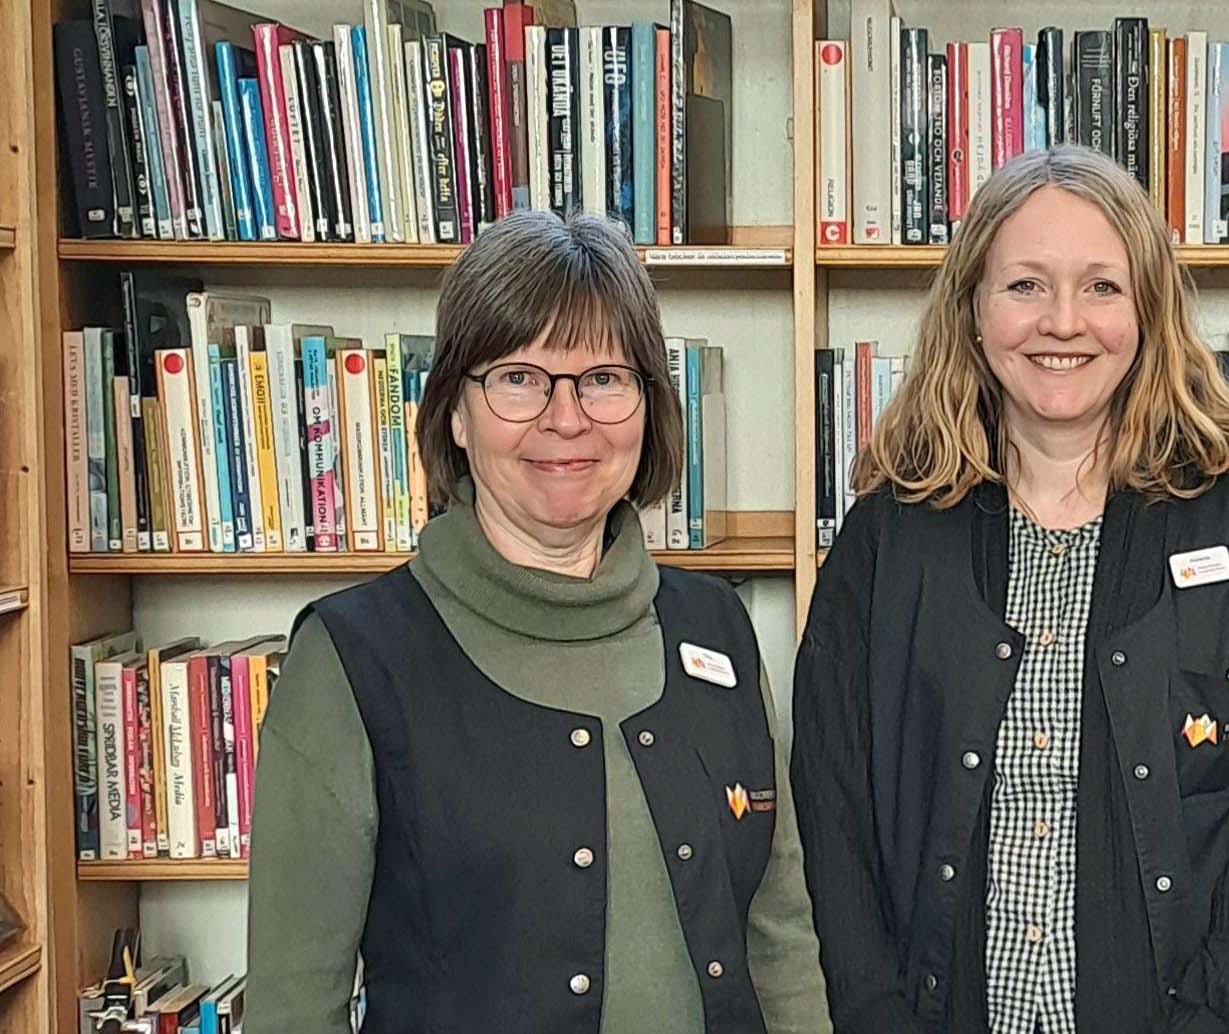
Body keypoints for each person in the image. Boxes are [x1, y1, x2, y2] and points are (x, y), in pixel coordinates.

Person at [792, 144, 1229, 1034]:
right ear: (972, 308)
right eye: (1024, 287)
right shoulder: (885, 538)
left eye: (1101, 286)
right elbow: (831, 818)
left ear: (1148, 312)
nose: (1063, 322)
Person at [249, 210, 829, 1034]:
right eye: (520, 377)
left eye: (604, 378)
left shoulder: (719, 629)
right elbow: (291, 1011)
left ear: (647, 406)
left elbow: (780, 940)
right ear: (455, 412)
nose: (567, 418)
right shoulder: (353, 660)